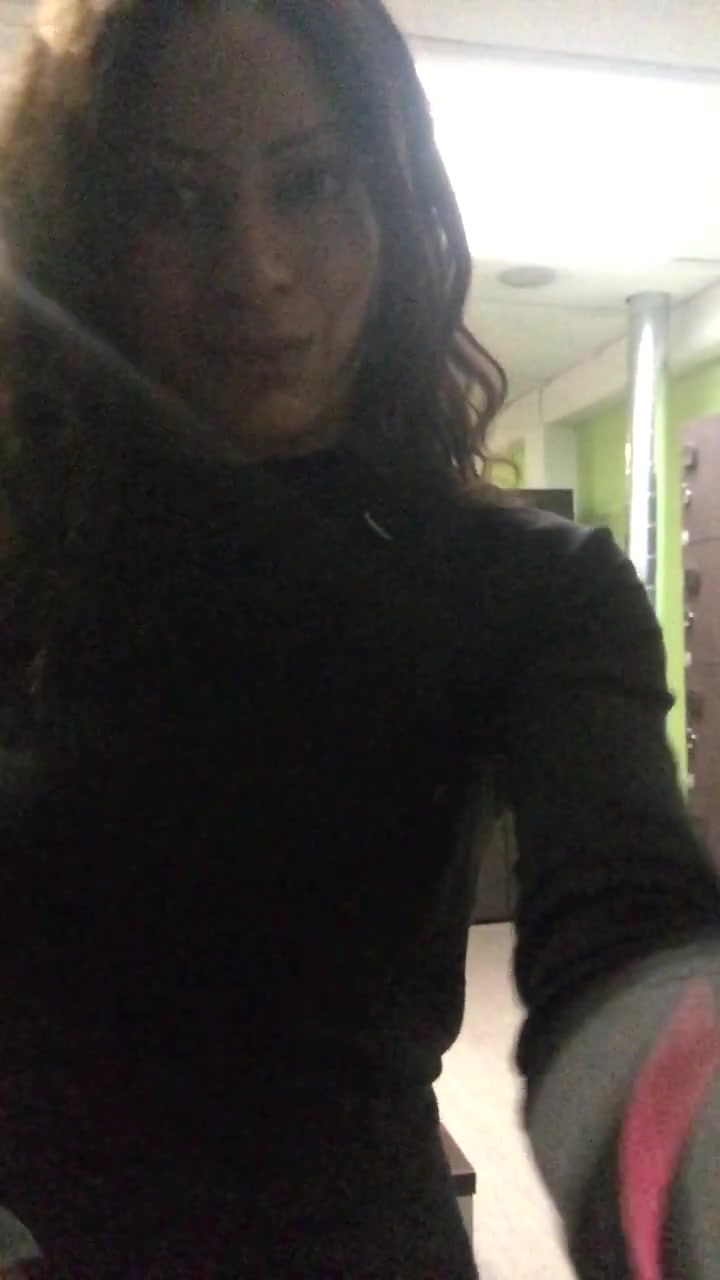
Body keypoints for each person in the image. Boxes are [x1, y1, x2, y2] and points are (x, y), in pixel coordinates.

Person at [0, 1, 719, 1276]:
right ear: (91, 231)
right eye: (174, 199)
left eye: (310, 183)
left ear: (391, 202)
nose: (255, 266)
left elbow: (624, 939)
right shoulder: (21, 565)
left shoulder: (530, 587)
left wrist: (694, 1169)